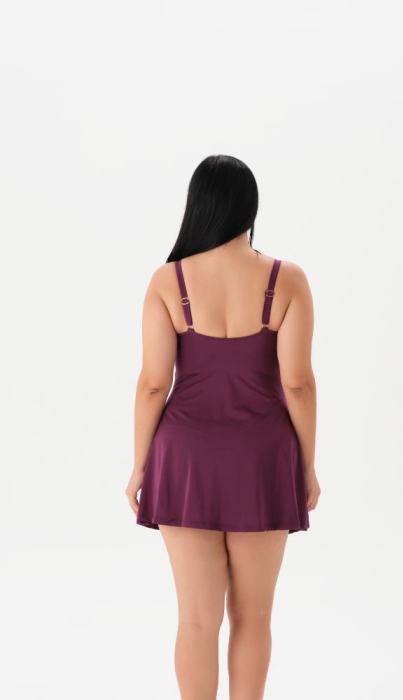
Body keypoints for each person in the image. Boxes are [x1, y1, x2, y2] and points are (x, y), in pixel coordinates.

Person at [125, 154, 320, 700]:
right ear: (250, 208)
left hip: (185, 458)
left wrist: (140, 467)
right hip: (263, 458)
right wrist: (307, 466)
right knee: (254, 617)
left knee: (195, 620)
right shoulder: (287, 280)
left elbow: (152, 384)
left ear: (198, 207)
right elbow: (298, 383)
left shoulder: (168, 281)